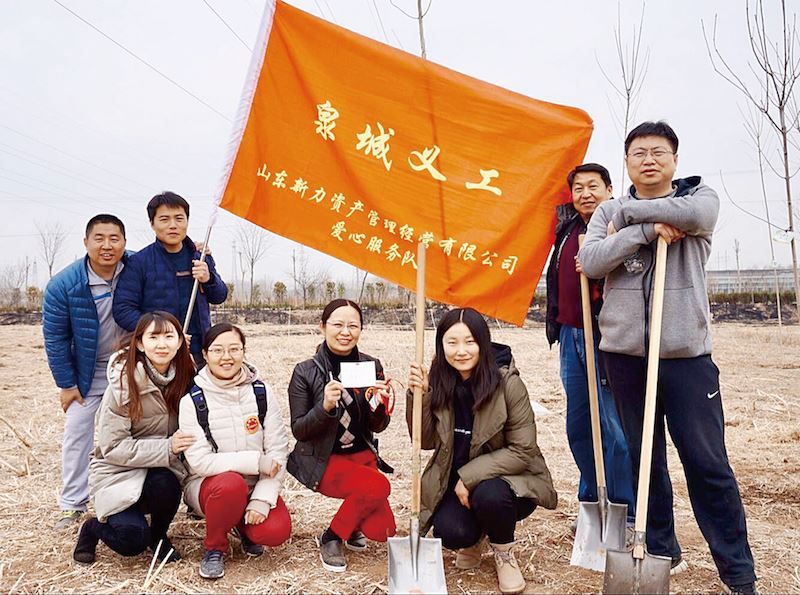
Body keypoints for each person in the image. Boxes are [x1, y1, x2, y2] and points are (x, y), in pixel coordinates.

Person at [579, 120, 757, 595]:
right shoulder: (607, 211)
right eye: (638, 153)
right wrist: (643, 231)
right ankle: (660, 549)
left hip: (684, 356)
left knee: (707, 462)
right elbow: (592, 260)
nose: (649, 160)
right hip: (626, 355)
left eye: (658, 151)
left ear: (675, 160)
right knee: (644, 459)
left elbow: (696, 214)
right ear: (627, 161)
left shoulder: (701, 198)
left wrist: (633, 217)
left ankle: (738, 572)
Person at [407, 308, 557, 595]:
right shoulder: (440, 381)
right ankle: (475, 537)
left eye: (470, 342)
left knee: (490, 496)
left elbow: (523, 449)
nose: (460, 351)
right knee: (452, 533)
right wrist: (420, 395)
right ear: (441, 345)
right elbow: (424, 441)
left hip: (511, 482)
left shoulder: (507, 383)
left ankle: (503, 552)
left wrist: (470, 476)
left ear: (483, 343)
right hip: (458, 486)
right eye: (452, 343)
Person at [544, 163, 636, 530]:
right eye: (578, 188)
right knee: (579, 423)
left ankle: (624, 509)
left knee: (613, 425)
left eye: (593, 186)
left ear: (610, 189)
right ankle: (591, 501)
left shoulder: (619, 225)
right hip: (570, 334)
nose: (585, 194)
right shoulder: (566, 230)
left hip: (605, 338)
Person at [72, 311, 196, 565]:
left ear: (181, 341)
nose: (162, 344)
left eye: (169, 336)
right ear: (139, 343)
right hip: (117, 471)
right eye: (153, 337)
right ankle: (92, 529)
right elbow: (112, 447)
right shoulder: (122, 384)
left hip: (160, 469)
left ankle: (159, 536)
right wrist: (168, 447)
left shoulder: (186, 378)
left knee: (167, 483)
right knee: (131, 542)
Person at [287, 299, 396, 573]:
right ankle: (332, 536)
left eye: (353, 325)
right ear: (322, 327)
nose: (345, 331)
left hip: (361, 456)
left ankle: (351, 522)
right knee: (379, 487)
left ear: (361, 329)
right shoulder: (305, 371)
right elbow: (300, 429)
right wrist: (323, 407)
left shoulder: (371, 365)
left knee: (383, 530)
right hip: (324, 460)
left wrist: (378, 404)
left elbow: (378, 425)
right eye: (337, 324)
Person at [179, 323, 292, 580]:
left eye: (234, 349)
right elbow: (199, 462)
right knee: (230, 485)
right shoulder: (193, 401)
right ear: (205, 354)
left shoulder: (262, 392)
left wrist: (262, 498)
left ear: (244, 351)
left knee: (276, 532)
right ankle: (214, 548)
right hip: (209, 486)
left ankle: (242, 525)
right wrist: (255, 461)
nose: (226, 357)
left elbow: (277, 449)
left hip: (254, 485)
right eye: (217, 350)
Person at [43, 214, 128, 530]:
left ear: (124, 242)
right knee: (78, 433)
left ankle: (135, 498)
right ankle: (72, 503)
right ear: (86, 242)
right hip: (89, 372)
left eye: (114, 238)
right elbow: (55, 338)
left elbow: (166, 257)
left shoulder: (136, 268)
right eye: (99, 238)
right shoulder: (63, 285)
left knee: (143, 432)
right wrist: (66, 384)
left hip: (130, 368)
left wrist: (197, 249)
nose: (107, 246)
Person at [112, 191, 227, 365]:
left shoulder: (200, 256)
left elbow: (220, 296)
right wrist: (163, 333)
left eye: (179, 219)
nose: (173, 225)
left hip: (200, 352)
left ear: (187, 221)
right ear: (152, 224)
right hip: (159, 354)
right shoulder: (139, 262)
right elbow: (123, 310)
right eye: (164, 219)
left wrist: (209, 279)